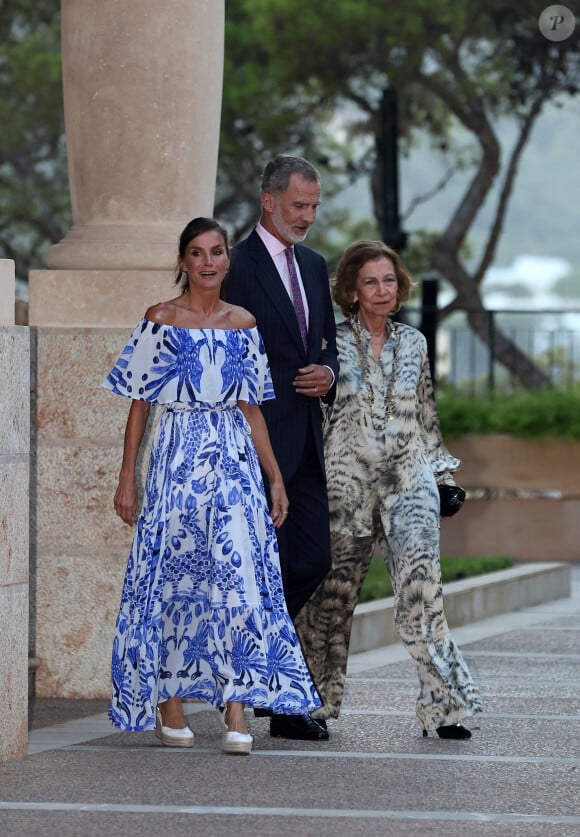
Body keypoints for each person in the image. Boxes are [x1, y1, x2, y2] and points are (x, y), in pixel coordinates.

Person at [102, 217, 322, 756]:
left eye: (216, 252)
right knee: (174, 579)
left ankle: (236, 705)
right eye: (196, 253)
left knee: (238, 580)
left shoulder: (244, 323)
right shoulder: (160, 319)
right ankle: (169, 702)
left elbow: (253, 409)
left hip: (234, 467)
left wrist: (274, 478)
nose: (207, 261)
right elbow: (140, 405)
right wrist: (127, 476)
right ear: (183, 261)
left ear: (227, 260)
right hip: (176, 461)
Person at [294, 239, 483, 739]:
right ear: (352, 292)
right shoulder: (329, 344)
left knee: (423, 593)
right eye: (370, 282)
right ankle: (310, 704)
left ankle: (444, 708)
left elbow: (425, 416)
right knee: (331, 598)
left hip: (409, 480)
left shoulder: (416, 342)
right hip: (345, 487)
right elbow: (313, 418)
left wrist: (442, 478)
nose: (382, 290)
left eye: (390, 280)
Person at [225, 155, 339, 741]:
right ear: (268, 200)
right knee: (265, 571)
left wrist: (329, 374)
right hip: (253, 447)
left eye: (315, 206)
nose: (309, 217)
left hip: (308, 446)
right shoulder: (235, 267)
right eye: (299, 205)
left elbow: (325, 346)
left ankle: (261, 675)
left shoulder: (316, 267)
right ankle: (283, 696)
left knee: (313, 559)